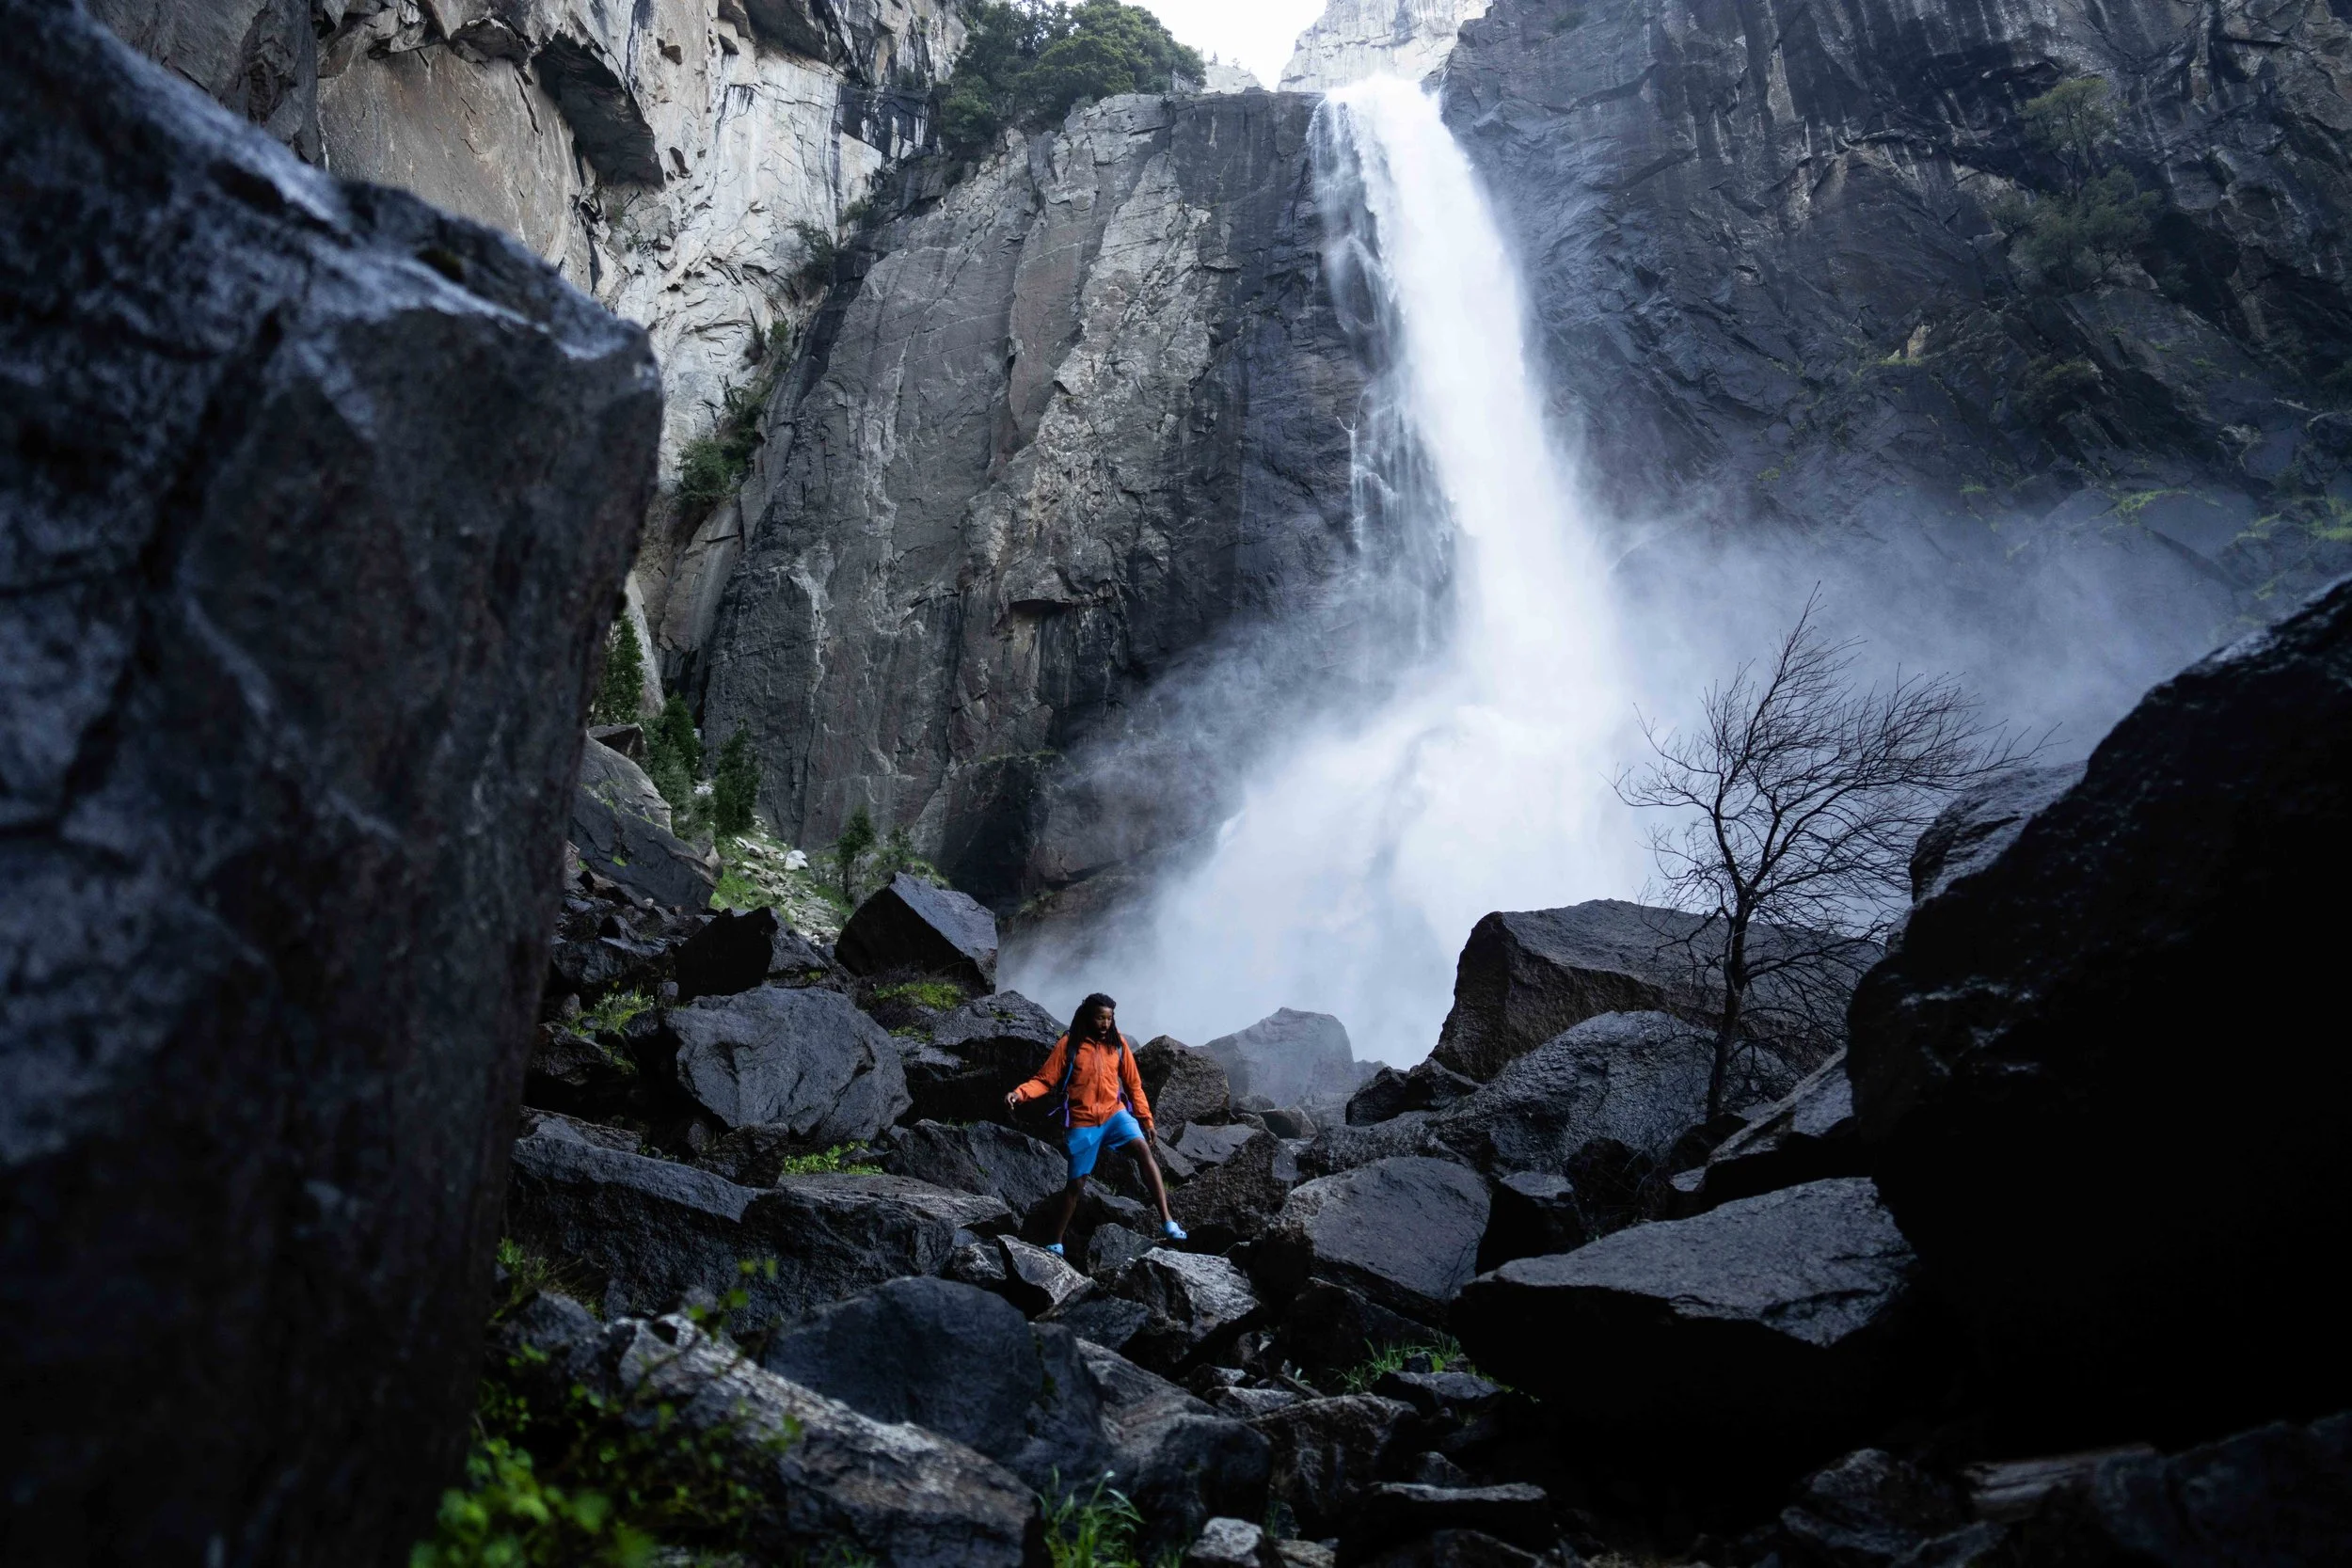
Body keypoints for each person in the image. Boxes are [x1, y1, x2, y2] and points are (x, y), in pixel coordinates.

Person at [1007, 991, 1187, 1256]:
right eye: (1101, 1018)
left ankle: (1167, 1221)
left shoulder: (1118, 1045)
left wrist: (1145, 1119)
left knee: (1142, 1148)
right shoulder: (1070, 1045)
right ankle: (1055, 1241)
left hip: (1115, 1115)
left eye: (1110, 1018)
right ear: (1088, 1017)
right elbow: (1045, 1080)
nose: (1105, 1024)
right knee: (1076, 1184)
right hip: (1083, 1121)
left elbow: (1133, 1084)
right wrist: (1019, 1093)